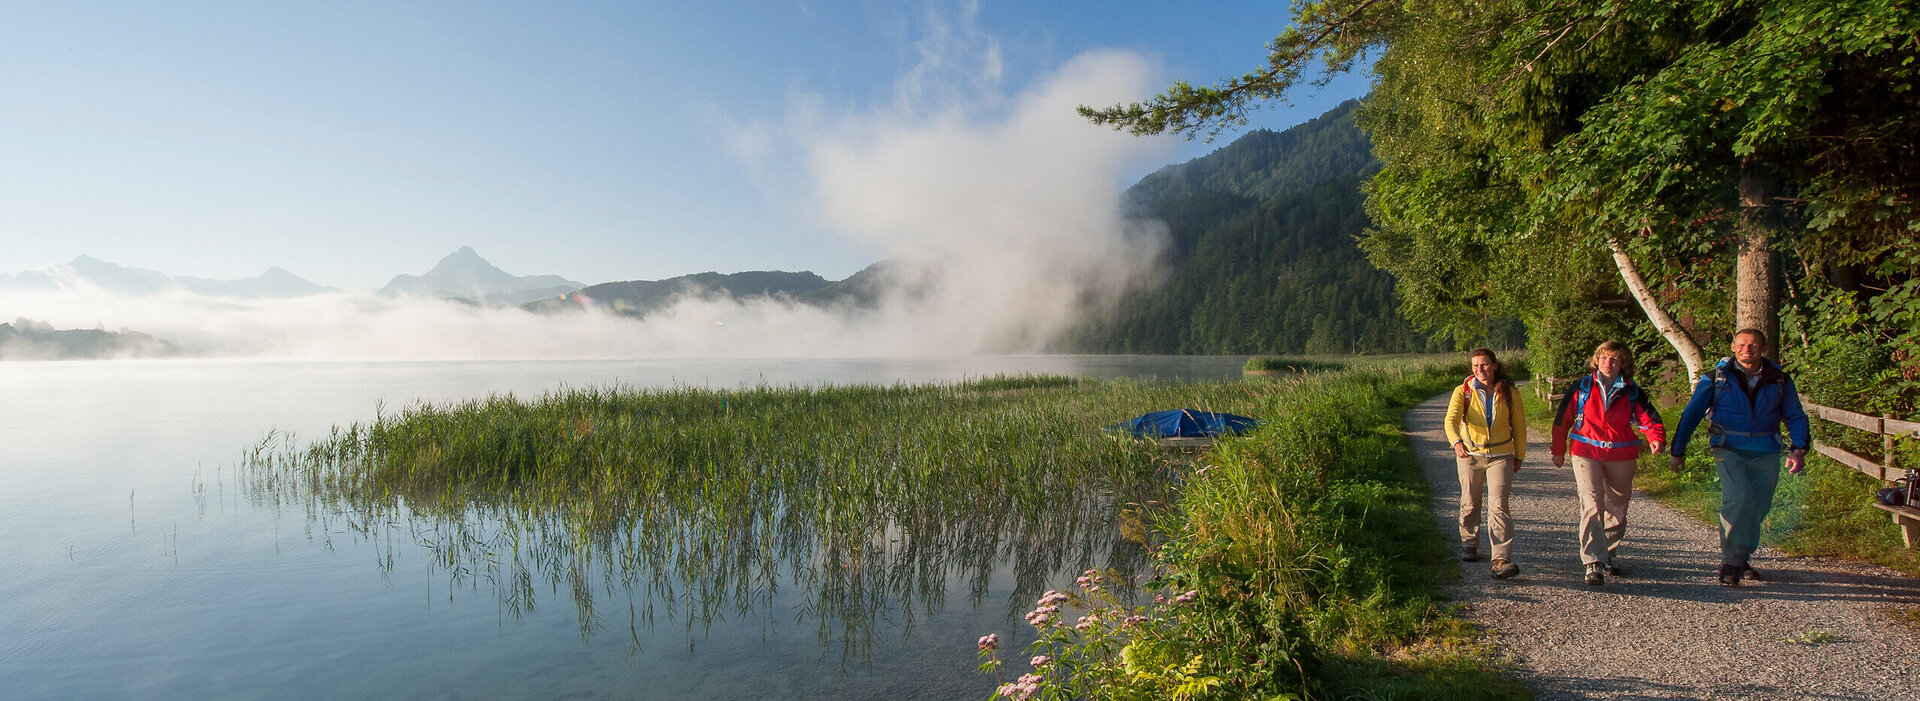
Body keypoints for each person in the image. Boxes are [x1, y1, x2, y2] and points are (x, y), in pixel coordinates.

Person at [1669, 329, 1810, 586]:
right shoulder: (1717, 378)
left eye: (1754, 345)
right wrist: (1678, 450)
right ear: (1733, 347)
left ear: (1763, 348)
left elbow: (1795, 415)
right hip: (1728, 448)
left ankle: (1742, 556)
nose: (1748, 349)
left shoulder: (1779, 379)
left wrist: (1798, 448)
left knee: (1758, 506)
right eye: (1742, 344)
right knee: (1739, 498)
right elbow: (1691, 414)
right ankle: (1731, 563)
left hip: (1766, 449)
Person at [1551, 341, 1665, 586]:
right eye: (1603, 358)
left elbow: (1648, 418)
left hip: (1621, 455)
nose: (1608, 363)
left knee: (1617, 507)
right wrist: (1558, 451)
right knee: (1592, 503)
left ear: (1623, 363)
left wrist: (1656, 438)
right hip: (1586, 452)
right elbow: (1562, 420)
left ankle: (1608, 552)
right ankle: (1592, 562)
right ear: (1596, 360)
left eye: (1614, 359)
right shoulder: (1581, 387)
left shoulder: (1632, 390)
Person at [1445, 348, 1527, 579]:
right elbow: (1450, 421)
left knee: (1499, 506)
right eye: (1475, 366)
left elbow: (1519, 426)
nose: (1480, 370)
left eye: (1484, 365)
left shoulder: (1510, 393)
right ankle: (1469, 542)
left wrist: (1519, 455)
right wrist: (1456, 443)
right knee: (1470, 501)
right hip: (1470, 455)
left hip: (1501, 455)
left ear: (1495, 365)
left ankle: (1501, 559)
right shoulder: (1464, 391)